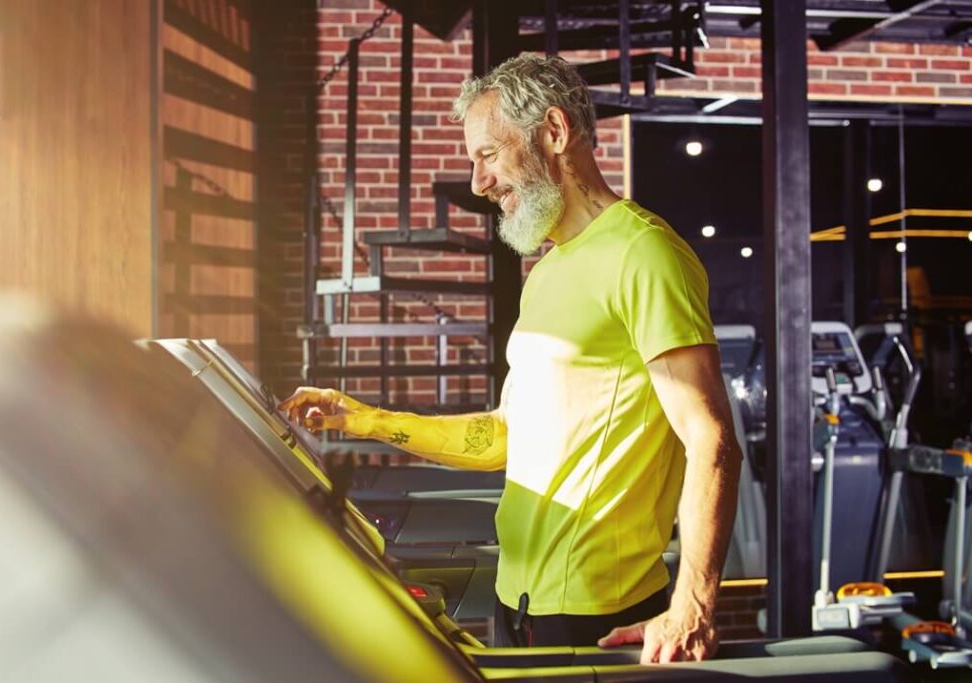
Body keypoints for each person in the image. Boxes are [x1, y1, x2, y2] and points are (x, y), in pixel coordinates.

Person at [281, 54, 741, 663]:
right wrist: (362, 419)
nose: (478, 183)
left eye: (488, 155)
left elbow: (711, 438)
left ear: (554, 131)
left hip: (601, 614)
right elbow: (505, 436)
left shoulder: (644, 253)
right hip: (519, 603)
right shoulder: (547, 271)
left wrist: (692, 607)